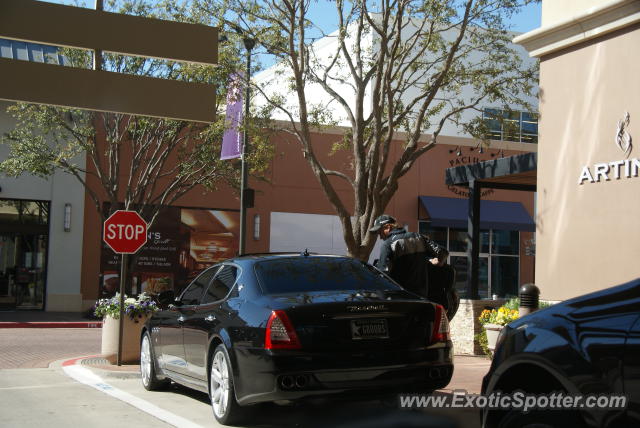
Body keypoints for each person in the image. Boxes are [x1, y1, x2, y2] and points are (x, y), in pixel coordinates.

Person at [370, 214, 458, 319]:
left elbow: (383, 274)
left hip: (402, 301)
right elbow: (443, 252)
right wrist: (439, 262)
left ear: (388, 227)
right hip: (423, 298)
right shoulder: (418, 237)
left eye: (380, 232)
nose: (380, 236)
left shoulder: (389, 244)